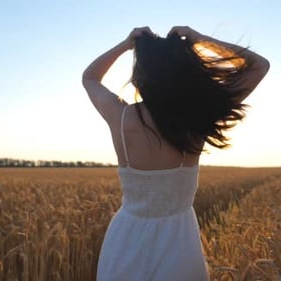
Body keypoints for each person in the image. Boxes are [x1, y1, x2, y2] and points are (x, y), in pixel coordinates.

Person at [82, 26, 269, 281]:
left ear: (139, 77)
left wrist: (127, 44)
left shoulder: (121, 116)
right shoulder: (197, 117)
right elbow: (259, 65)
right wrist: (201, 40)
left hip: (124, 238)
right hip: (178, 242)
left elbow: (90, 78)